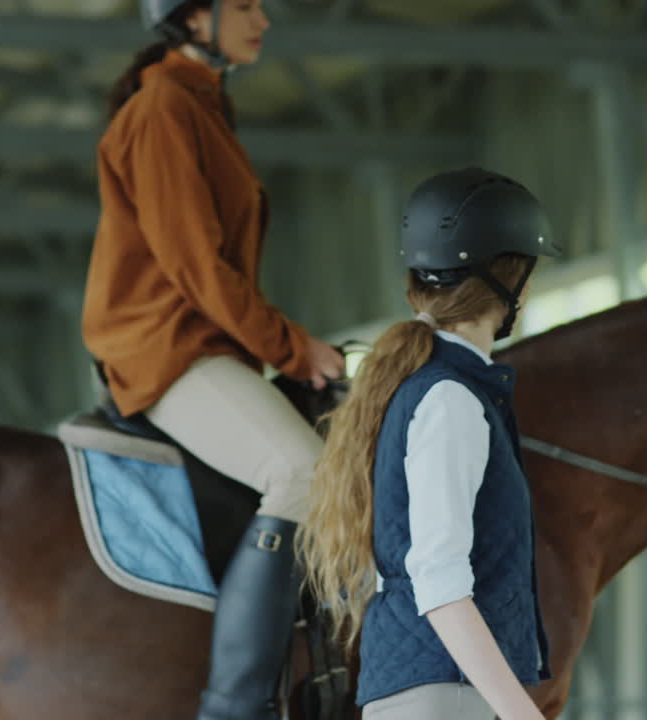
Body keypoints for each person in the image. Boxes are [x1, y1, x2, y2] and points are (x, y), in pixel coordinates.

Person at [80, 1, 345, 718]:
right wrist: (292, 348)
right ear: (194, 16)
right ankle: (235, 705)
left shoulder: (202, 102)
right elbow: (197, 267)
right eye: (245, 4)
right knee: (302, 473)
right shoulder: (164, 108)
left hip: (205, 346)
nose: (263, 16)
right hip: (167, 349)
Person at [299, 168, 559, 719]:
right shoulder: (450, 399)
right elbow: (439, 583)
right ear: (508, 280)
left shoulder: (422, 386)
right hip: (445, 696)